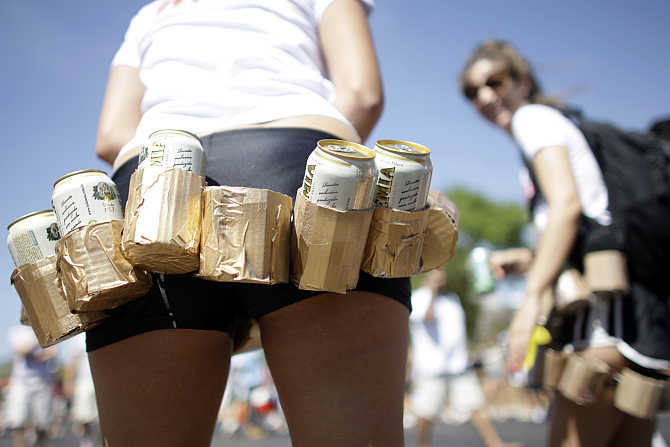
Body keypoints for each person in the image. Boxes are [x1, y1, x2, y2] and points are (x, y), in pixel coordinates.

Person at [90, 1, 410, 446]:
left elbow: (110, 135)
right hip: (298, 163)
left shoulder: (152, 12)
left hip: (155, 190)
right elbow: (362, 93)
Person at [460, 40, 670, 447]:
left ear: (522, 81)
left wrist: (528, 306)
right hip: (643, 317)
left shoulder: (532, 120)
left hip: (603, 325)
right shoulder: (559, 123)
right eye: (472, 92)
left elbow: (567, 207)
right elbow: (588, 219)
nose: (485, 97)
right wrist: (531, 259)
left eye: (494, 82)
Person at [408, 269, 522, 447]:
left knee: (476, 406)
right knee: (426, 413)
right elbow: (427, 318)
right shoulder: (419, 297)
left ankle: (495, 443)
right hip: (432, 368)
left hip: (458, 365)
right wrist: (432, 291)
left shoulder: (452, 300)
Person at [3, 325, 56, 447]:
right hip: (21, 383)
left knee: (43, 424)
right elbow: (21, 351)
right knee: (17, 422)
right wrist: (36, 339)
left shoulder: (47, 329)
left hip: (43, 382)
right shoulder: (18, 331)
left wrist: (39, 352)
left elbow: (52, 353)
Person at [63, 335, 99, 447]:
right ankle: (86, 443)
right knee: (83, 418)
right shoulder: (77, 337)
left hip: (100, 380)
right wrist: (68, 382)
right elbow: (73, 361)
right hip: (84, 382)